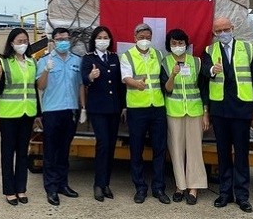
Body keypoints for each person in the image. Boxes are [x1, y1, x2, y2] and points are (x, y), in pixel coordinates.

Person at [201, 17, 253, 213]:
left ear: (232, 28)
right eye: (218, 31)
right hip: (219, 110)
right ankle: (225, 192)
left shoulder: (248, 48)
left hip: (242, 108)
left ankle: (243, 195)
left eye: (225, 29)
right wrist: (212, 70)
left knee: (242, 153)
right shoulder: (210, 51)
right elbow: (203, 74)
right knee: (223, 153)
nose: (222, 33)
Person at [120, 23, 170, 205]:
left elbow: (163, 78)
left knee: (159, 149)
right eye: (141, 37)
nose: (145, 40)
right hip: (137, 108)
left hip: (157, 107)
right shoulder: (127, 56)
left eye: (148, 37)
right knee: (136, 150)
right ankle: (140, 188)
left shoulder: (158, 54)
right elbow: (125, 77)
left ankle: (158, 188)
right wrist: (136, 83)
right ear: (135, 38)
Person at [160, 29, 209, 205]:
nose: (178, 46)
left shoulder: (196, 61)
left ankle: (194, 187)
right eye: (174, 43)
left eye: (181, 43)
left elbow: (203, 88)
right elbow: (167, 89)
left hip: (195, 111)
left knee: (195, 149)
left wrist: (205, 112)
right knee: (176, 149)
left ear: (186, 44)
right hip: (174, 111)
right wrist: (173, 74)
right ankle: (180, 186)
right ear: (169, 45)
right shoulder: (165, 62)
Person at [36, 27, 84, 206]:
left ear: (70, 39)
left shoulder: (76, 60)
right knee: (50, 151)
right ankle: (51, 188)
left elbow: (80, 85)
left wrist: (83, 108)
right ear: (53, 41)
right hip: (52, 111)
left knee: (64, 151)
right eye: (59, 39)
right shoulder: (45, 60)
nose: (62, 41)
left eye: (65, 38)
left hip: (70, 110)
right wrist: (47, 70)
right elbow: (40, 86)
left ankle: (63, 184)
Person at [0, 28, 38, 206]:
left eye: (25, 41)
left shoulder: (32, 62)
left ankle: (21, 188)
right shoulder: (3, 61)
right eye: (19, 41)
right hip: (9, 114)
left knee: (23, 153)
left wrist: (38, 114)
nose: (23, 44)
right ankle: (9, 190)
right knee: (7, 153)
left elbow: (33, 89)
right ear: (11, 43)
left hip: (27, 113)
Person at [80, 26, 125, 202]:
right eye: (99, 37)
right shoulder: (88, 58)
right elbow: (84, 79)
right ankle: (98, 184)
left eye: (106, 37)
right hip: (98, 109)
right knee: (103, 144)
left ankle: (106, 183)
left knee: (111, 145)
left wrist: (124, 106)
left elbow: (119, 85)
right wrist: (91, 76)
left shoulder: (114, 58)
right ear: (94, 40)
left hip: (113, 109)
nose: (103, 40)